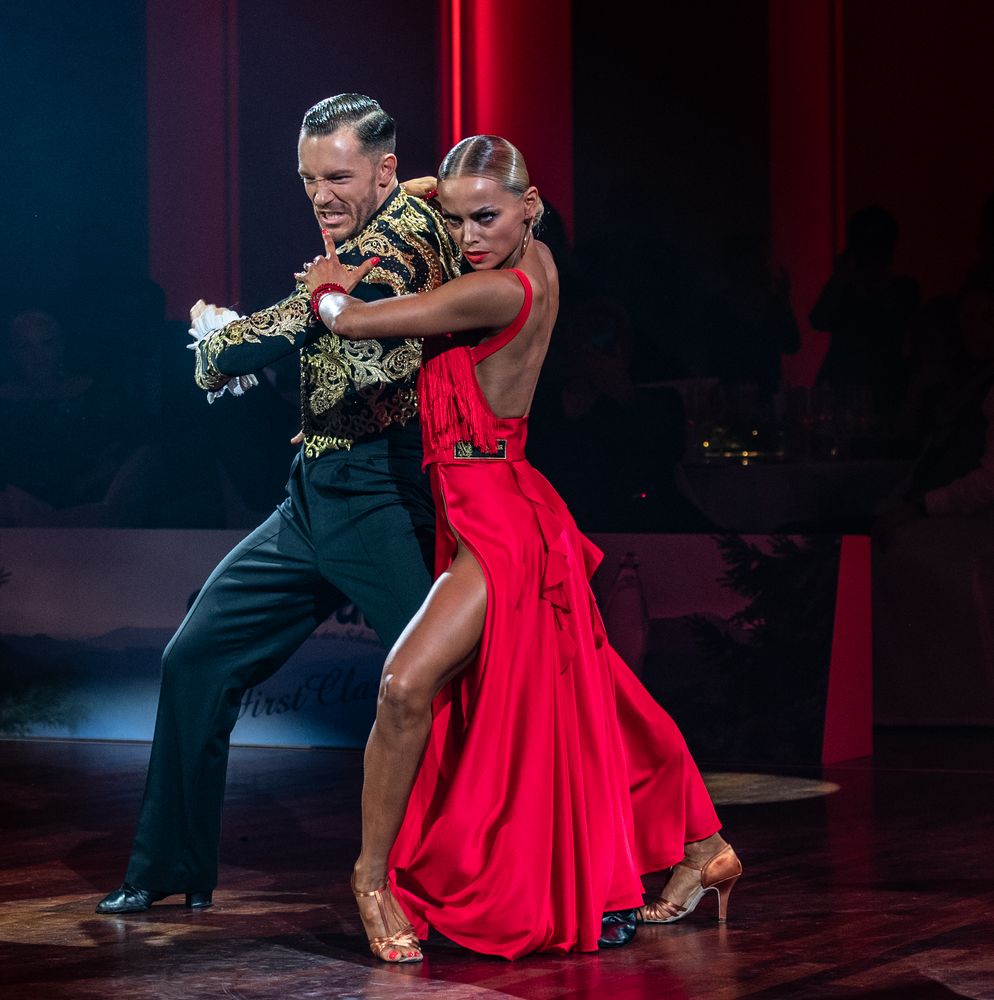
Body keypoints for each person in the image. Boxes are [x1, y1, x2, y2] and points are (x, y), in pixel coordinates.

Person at [300, 135, 740, 962]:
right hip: (500, 505)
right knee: (596, 692)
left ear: (531, 207)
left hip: (497, 522)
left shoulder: (498, 291)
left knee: (405, 683)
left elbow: (354, 323)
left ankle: (370, 878)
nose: (469, 235)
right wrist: (434, 193)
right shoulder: (533, 251)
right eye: (458, 219)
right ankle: (700, 848)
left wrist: (329, 285)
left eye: (488, 218)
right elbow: (461, 199)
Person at [94, 93, 464, 914]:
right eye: (307, 179)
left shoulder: (400, 236)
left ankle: (537, 876)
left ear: (385, 169)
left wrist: (217, 343)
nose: (321, 195)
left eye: (337, 176)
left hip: (379, 496)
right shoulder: (393, 214)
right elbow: (336, 345)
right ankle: (170, 868)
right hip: (311, 499)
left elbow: (321, 317)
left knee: (454, 688)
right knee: (195, 658)